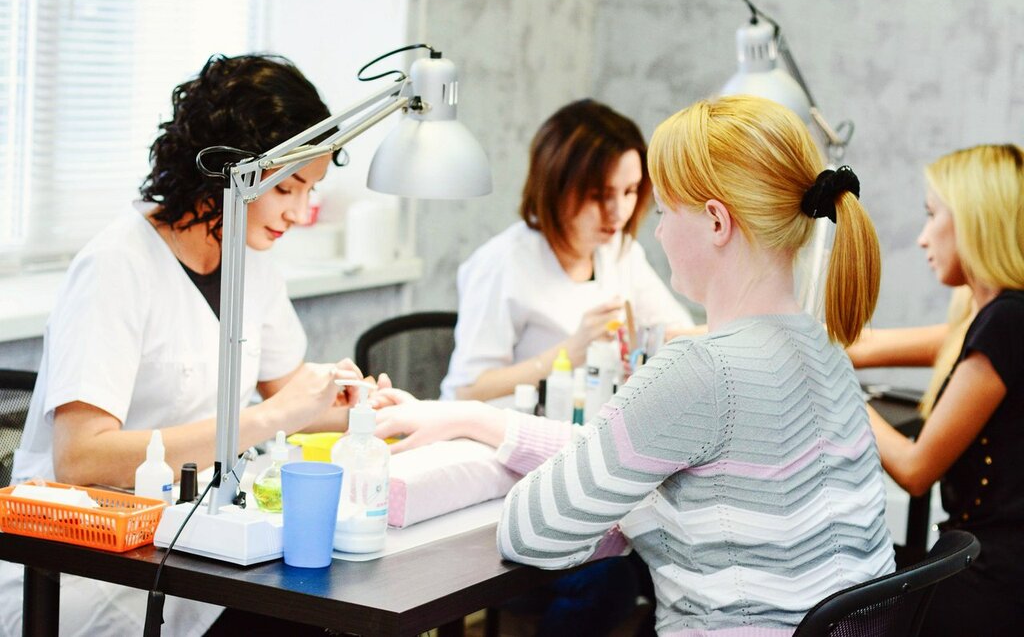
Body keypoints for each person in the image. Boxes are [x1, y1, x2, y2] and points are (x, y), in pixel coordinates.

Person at [374, 95, 895, 634]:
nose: (656, 231)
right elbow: (636, 448)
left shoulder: (699, 370)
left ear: (717, 221)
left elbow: (529, 530)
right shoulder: (826, 349)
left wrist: (633, 497)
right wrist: (479, 421)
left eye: (664, 212)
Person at [0, 54, 365, 636]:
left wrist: (357, 406)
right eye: (286, 188)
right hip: (87, 570)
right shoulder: (117, 265)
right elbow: (81, 459)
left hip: (195, 545)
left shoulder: (249, 255)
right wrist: (270, 417)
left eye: (311, 190)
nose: (300, 213)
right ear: (226, 172)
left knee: (327, 600)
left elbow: (291, 391)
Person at [849, 144, 1024, 635]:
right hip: (973, 559)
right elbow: (863, 345)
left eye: (932, 215)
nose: (922, 237)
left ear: (974, 220)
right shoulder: (985, 316)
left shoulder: (1007, 322)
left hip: (994, 582)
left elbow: (915, 469)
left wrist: (838, 388)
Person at [440, 99, 693, 403]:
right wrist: (571, 351)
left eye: (630, 191)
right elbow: (465, 391)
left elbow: (677, 331)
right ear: (557, 189)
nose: (619, 212)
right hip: (510, 424)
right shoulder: (502, 263)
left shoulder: (619, 252)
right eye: (600, 195)